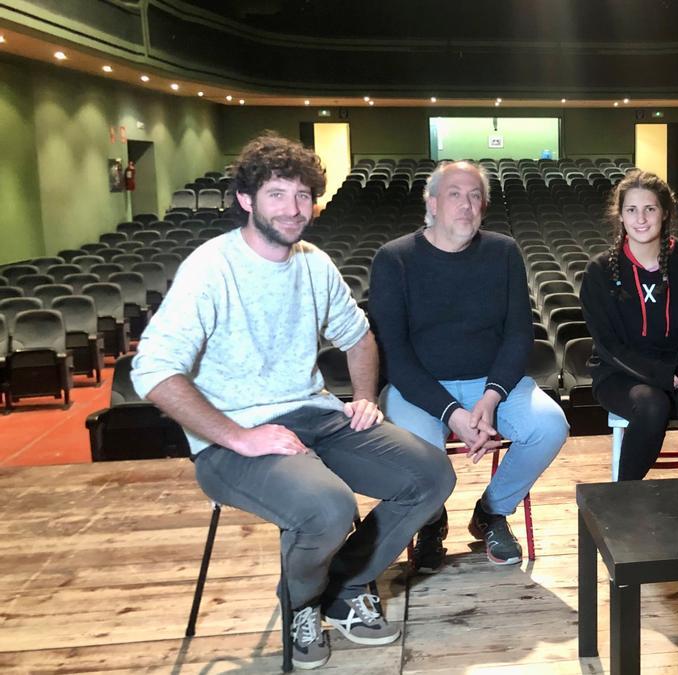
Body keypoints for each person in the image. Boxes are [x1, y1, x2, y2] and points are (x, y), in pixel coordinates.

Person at [131, 132, 455, 669]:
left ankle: (345, 585)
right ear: (246, 199)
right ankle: (301, 603)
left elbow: (359, 336)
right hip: (230, 441)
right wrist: (238, 435)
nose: (293, 208)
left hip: (316, 416)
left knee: (432, 475)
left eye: (303, 195)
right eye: (278, 194)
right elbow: (153, 369)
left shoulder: (313, 263)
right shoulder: (212, 268)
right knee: (329, 507)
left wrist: (366, 397)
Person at [370, 160, 568, 571]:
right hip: (420, 389)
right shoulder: (394, 259)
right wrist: (452, 414)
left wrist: (492, 397)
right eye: (455, 195)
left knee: (550, 425)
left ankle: (492, 512)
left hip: (491, 384)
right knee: (418, 456)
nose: (466, 205)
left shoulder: (503, 251)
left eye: (475, 196)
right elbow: (395, 355)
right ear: (433, 203)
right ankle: (431, 518)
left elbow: (518, 335)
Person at [579, 170, 678, 480]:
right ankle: (623, 500)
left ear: (665, 212)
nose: (640, 218)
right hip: (619, 373)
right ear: (621, 216)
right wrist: (661, 375)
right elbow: (608, 346)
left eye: (650, 209)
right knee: (651, 405)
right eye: (631, 210)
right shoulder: (600, 271)